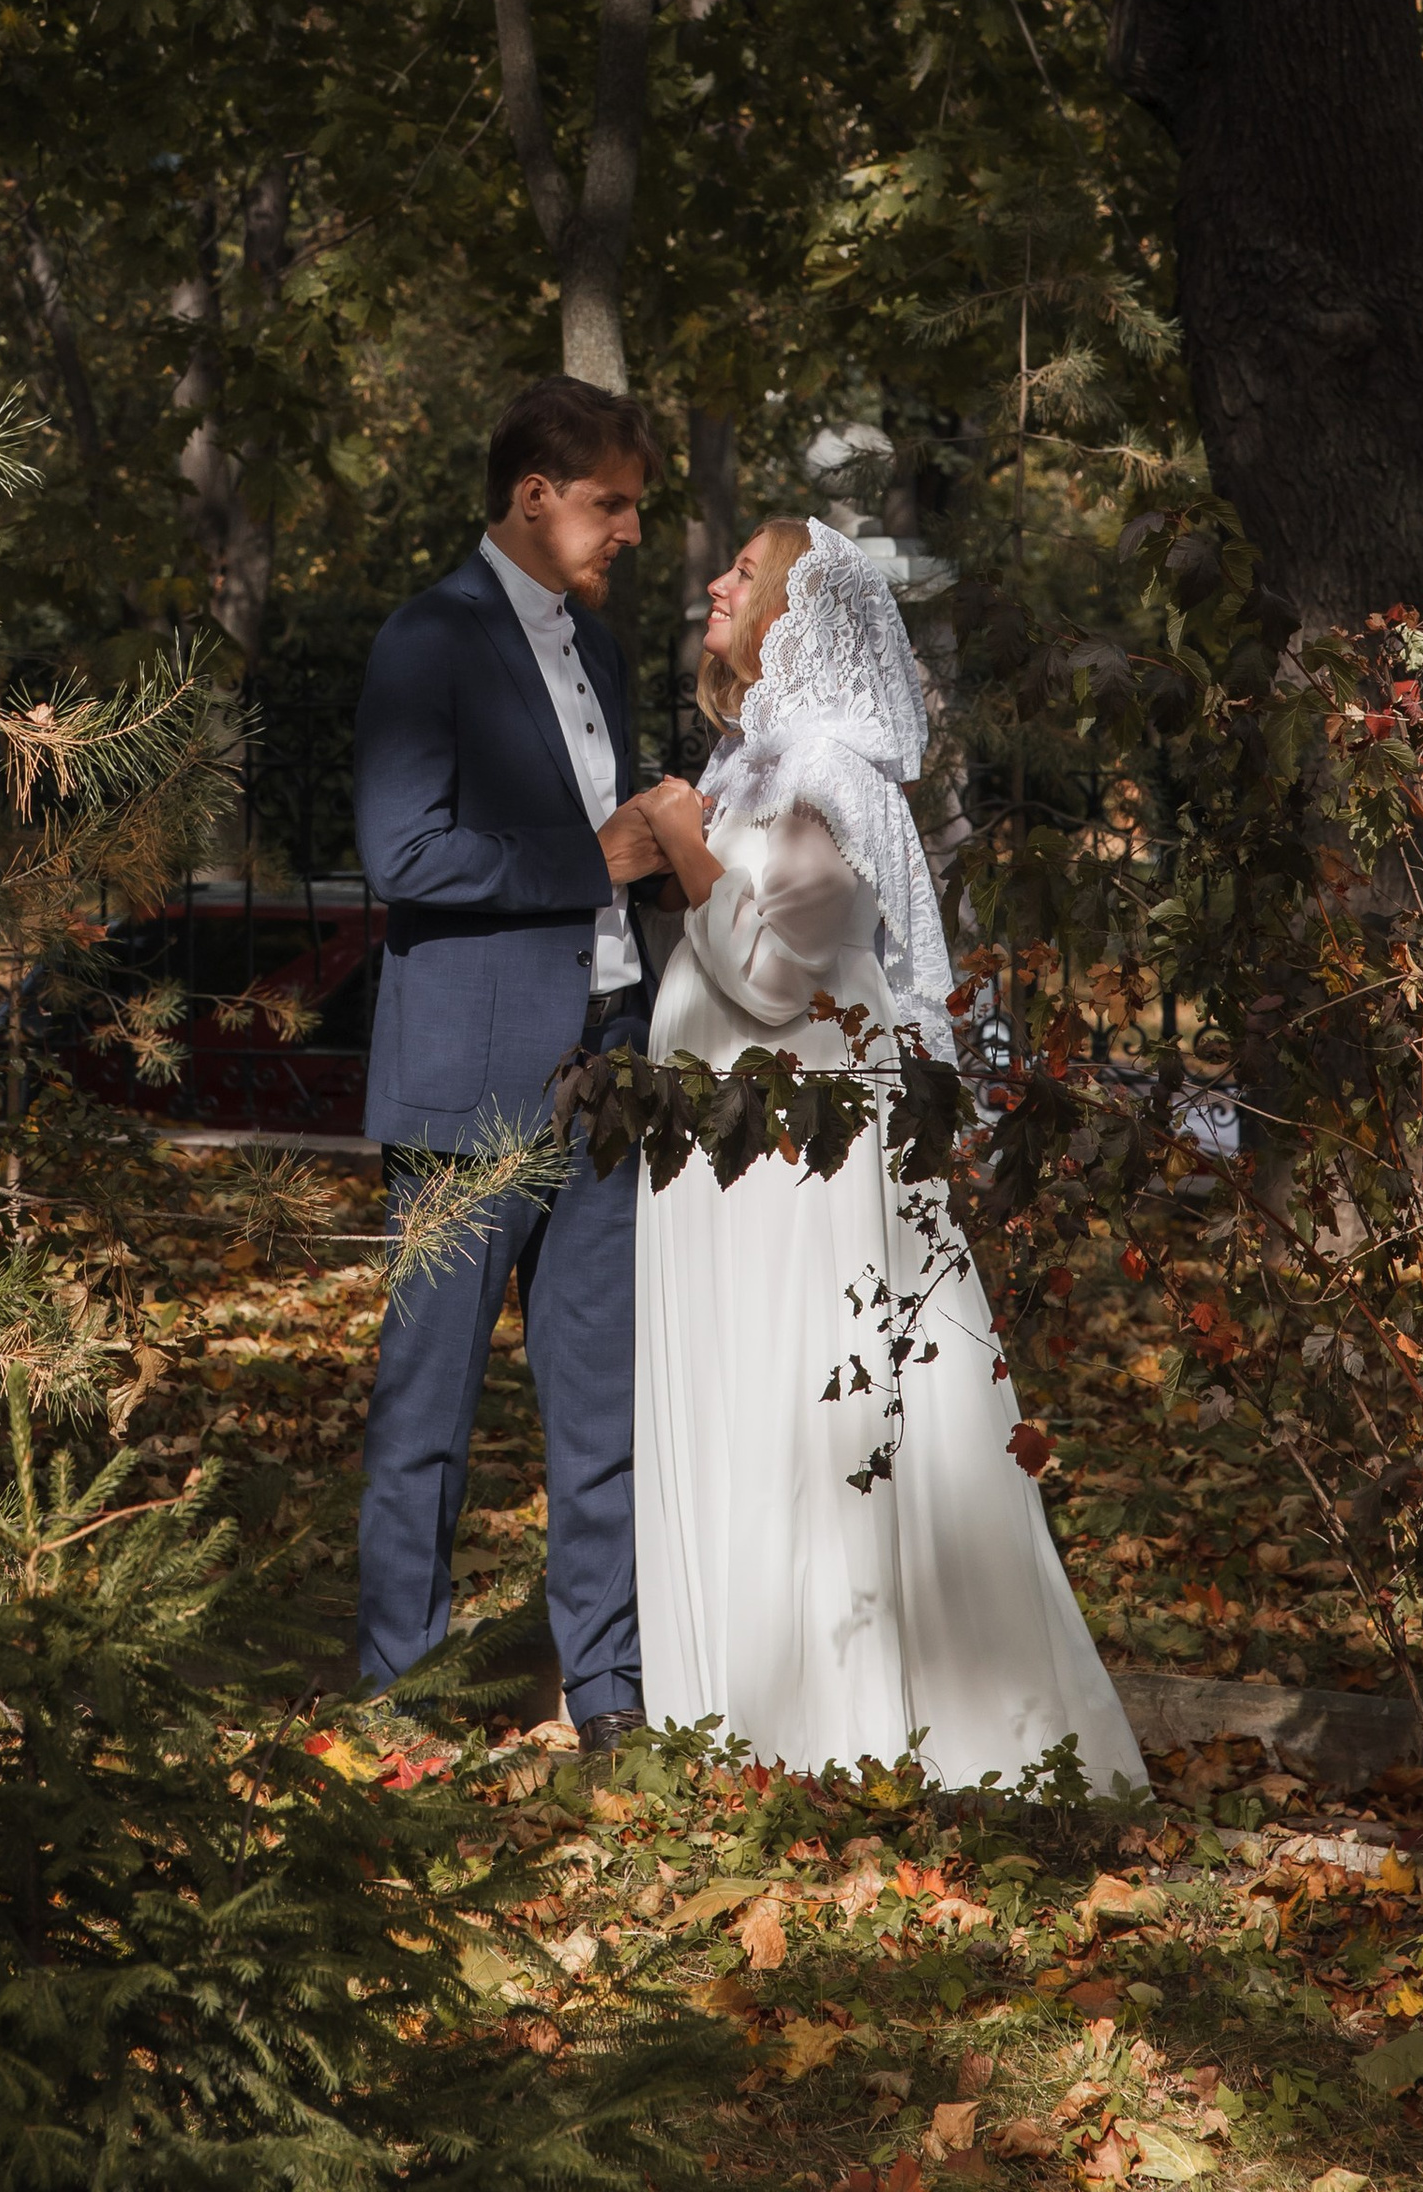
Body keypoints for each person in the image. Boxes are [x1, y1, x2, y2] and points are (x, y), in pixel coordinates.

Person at [631, 513, 1145, 1790]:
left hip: (796, 1163)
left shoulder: (830, 781)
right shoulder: (751, 762)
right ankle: (731, 1717)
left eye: (742, 573)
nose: (715, 582)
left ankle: (840, 1730)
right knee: (735, 1393)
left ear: (798, 614)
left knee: (803, 1396)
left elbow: (766, 973)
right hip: (723, 1154)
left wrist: (681, 841)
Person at [351, 374, 665, 1757]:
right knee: (430, 1409)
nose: (631, 532)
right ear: (534, 495)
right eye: (613, 504)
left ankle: (610, 1697)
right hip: (469, 1084)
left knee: (601, 1406)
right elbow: (401, 856)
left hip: (604, 1077)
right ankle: (401, 1699)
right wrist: (587, 862)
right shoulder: (429, 638)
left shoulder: (598, 650)